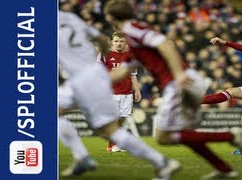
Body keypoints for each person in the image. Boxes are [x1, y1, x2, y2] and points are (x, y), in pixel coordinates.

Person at [103, 1, 242, 179]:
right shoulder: (132, 40)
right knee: (185, 134)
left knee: (163, 137)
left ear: (110, 17)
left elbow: (166, 44)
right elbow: (122, 70)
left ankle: (230, 136)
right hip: (181, 81)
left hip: (178, 82)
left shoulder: (133, 29)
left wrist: (178, 75)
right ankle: (223, 168)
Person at [59, 8, 181, 179]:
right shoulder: (70, 17)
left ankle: (82, 156)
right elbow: (101, 38)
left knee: (110, 128)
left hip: (82, 78)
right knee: (110, 130)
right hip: (91, 77)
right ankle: (162, 163)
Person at [97, 31, 142, 152]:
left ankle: (111, 145)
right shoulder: (105, 53)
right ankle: (115, 145)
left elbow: (133, 75)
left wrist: (137, 90)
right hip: (111, 92)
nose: (118, 43)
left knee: (122, 119)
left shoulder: (130, 56)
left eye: (121, 41)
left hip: (127, 93)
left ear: (125, 42)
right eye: (116, 41)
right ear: (112, 42)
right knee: (115, 119)